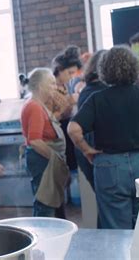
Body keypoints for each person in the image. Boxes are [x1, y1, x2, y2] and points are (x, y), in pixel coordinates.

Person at [68, 45, 139, 229]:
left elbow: (73, 129)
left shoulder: (97, 99)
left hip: (110, 167)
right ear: (135, 68)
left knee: (116, 230)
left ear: (103, 71)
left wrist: (86, 150)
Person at [20, 68, 70, 217]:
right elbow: (34, 141)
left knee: (51, 203)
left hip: (44, 161)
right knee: (45, 205)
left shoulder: (38, 105)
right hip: (42, 161)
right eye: (52, 84)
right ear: (41, 86)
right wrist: (56, 159)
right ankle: (44, 237)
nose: (55, 88)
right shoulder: (34, 107)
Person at [51, 45, 83, 218]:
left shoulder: (64, 87)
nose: (71, 77)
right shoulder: (50, 88)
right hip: (55, 134)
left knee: (67, 175)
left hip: (65, 132)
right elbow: (49, 118)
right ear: (60, 70)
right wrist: (67, 103)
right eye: (69, 73)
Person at [73, 50, 108, 191]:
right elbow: (73, 128)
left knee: (105, 201)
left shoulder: (88, 89)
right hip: (94, 151)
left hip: (89, 150)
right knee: (107, 201)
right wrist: (87, 149)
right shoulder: (97, 91)